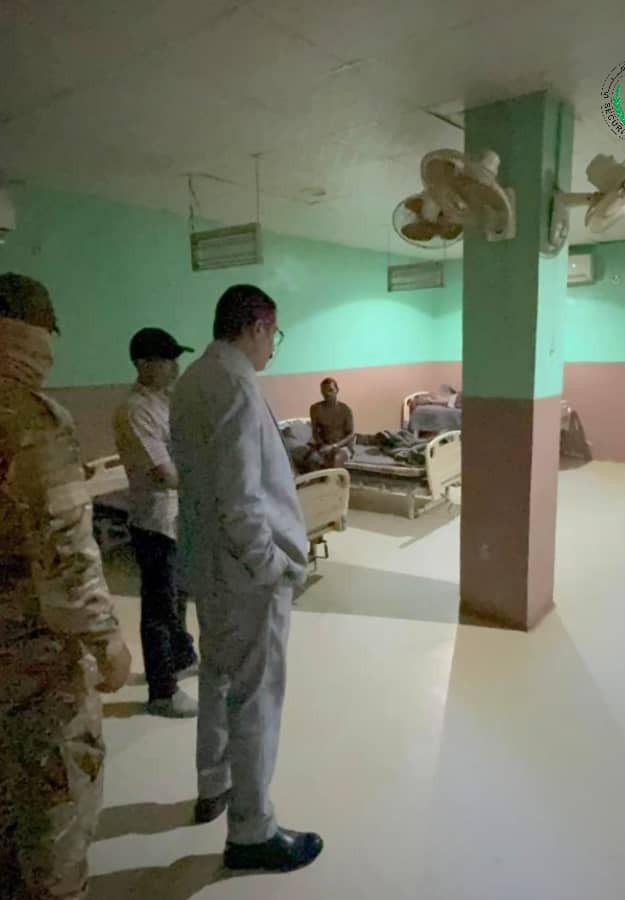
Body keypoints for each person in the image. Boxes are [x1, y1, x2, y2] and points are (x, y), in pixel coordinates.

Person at [170, 284, 323, 873]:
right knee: (255, 696)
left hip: (208, 564)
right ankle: (252, 830)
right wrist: (272, 566)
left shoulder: (192, 380)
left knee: (216, 674)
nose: (273, 348)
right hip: (245, 574)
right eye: (273, 335)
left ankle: (213, 784)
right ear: (256, 326)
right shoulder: (236, 385)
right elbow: (241, 497)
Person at [0, 272, 131, 900]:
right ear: (37, 334)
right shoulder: (30, 419)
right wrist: (107, 642)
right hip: (31, 666)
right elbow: (66, 556)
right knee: (53, 829)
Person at [113, 328, 198, 718]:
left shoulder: (164, 403)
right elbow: (165, 473)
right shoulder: (135, 410)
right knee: (159, 608)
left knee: (177, 596)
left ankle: (181, 659)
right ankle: (162, 691)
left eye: (175, 359)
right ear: (142, 364)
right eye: (166, 360)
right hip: (155, 521)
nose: (174, 367)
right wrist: (205, 480)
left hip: (175, 517)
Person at [307, 377, 356, 469]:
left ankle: (335, 478)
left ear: (337, 390)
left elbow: (351, 434)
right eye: (324, 391)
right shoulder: (315, 409)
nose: (327, 394)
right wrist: (322, 445)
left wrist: (334, 446)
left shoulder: (345, 409)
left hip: (341, 446)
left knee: (336, 459)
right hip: (323, 446)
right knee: (312, 459)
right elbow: (315, 431)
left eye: (330, 390)